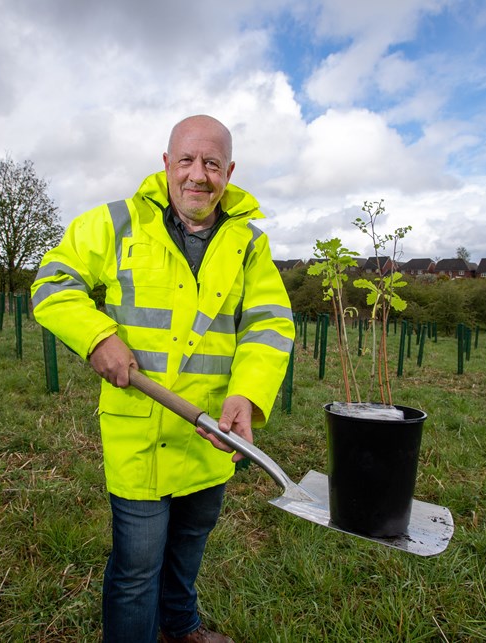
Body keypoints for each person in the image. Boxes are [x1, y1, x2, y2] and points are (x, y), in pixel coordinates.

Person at [31, 115, 295, 643]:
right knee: (136, 568)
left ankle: (180, 628)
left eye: (212, 164)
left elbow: (269, 323)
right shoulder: (116, 223)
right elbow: (52, 282)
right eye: (187, 161)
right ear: (166, 164)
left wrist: (247, 394)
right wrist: (96, 336)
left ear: (229, 171)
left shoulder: (249, 243)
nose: (198, 175)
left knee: (190, 544)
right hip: (141, 431)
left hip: (211, 432)